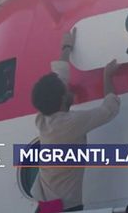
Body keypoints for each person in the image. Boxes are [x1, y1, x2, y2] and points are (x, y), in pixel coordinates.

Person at [31, 28, 121, 212]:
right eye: (66, 90)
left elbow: (60, 78)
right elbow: (109, 110)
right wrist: (107, 76)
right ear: (62, 99)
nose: (69, 89)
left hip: (46, 207)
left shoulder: (43, 118)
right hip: (66, 209)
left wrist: (66, 47)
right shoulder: (70, 124)